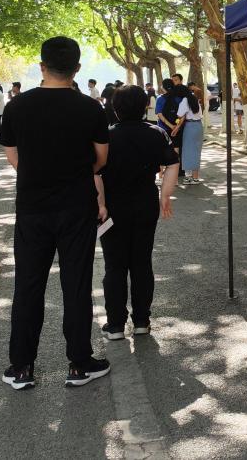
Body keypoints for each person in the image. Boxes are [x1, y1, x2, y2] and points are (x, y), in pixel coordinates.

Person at [0, 36, 111, 390]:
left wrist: (39, 174)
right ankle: (79, 363)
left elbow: (13, 156)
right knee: (76, 284)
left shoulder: (17, 107)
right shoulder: (91, 109)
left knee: (28, 285)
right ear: (76, 69)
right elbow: (101, 159)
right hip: (77, 206)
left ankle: (21, 367)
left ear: (41, 66)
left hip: (32, 208)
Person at [95, 85, 179, 340]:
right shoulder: (157, 133)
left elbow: (94, 172)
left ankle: (115, 325)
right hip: (145, 204)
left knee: (114, 265)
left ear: (115, 108)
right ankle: (142, 321)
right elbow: (173, 164)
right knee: (142, 262)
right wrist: (165, 196)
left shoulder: (106, 136)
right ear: (145, 106)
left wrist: (100, 204)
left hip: (112, 208)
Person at [172, 84, 203, 185]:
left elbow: (180, 115)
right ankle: (195, 177)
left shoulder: (185, 100)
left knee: (187, 151)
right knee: (196, 151)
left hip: (190, 126)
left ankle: (189, 177)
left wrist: (176, 127)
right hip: (198, 126)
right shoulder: (194, 98)